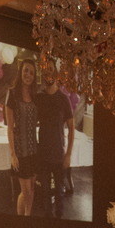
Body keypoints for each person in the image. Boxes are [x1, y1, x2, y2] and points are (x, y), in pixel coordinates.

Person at [35, 60, 74, 218]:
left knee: (59, 193)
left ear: (56, 73)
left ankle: (59, 223)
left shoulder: (64, 99)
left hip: (59, 155)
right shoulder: (38, 98)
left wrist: (68, 154)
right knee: (44, 194)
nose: (48, 73)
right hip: (42, 154)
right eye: (45, 71)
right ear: (43, 74)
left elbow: (71, 128)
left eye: (51, 69)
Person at [6, 59, 40, 216]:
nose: (28, 75)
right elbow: (10, 128)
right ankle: (25, 218)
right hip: (20, 151)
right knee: (25, 190)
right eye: (26, 70)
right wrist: (13, 154)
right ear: (21, 72)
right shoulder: (12, 93)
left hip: (34, 150)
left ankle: (26, 217)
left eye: (32, 73)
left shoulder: (34, 95)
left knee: (32, 188)